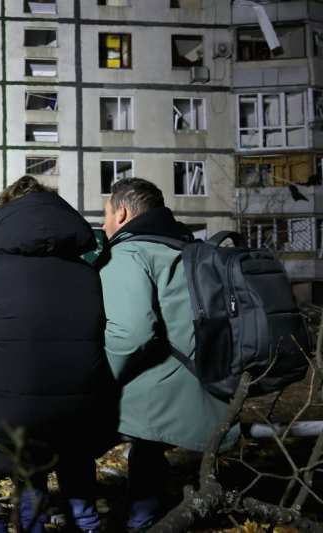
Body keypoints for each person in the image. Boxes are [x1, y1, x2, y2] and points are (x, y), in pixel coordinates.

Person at [0, 176, 119, 533]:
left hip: (2, 423)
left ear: (4, 218)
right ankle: (86, 522)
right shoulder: (88, 274)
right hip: (79, 418)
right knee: (64, 445)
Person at [96, 178, 240, 530]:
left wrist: (97, 379)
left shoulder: (128, 253)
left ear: (122, 212)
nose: (103, 225)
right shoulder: (189, 248)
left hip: (156, 393)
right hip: (205, 382)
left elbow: (131, 334)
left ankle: (136, 523)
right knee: (149, 452)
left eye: (105, 215)